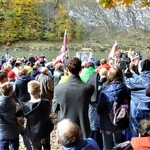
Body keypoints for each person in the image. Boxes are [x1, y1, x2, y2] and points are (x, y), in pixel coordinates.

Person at [52, 57, 94, 138]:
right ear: (81, 69)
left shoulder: (59, 88)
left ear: (67, 70)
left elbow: (54, 109)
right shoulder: (89, 88)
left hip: (65, 129)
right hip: (83, 128)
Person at [97, 65, 131, 150]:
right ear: (121, 75)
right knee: (119, 145)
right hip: (120, 120)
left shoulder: (104, 90)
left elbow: (99, 110)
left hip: (106, 123)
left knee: (107, 146)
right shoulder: (126, 89)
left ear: (109, 76)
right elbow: (128, 105)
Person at [21, 80, 54, 150]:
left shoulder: (25, 106)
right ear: (39, 90)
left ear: (28, 91)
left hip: (33, 132)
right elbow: (49, 113)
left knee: (36, 148)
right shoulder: (46, 102)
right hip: (45, 129)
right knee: (47, 147)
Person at [125, 59, 150, 137]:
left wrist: (127, 74)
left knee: (135, 130)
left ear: (140, 68)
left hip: (137, 109)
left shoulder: (135, 80)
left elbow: (126, 83)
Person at [0, 82, 23, 150]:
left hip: (1, 132)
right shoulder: (16, 105)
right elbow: (20, 120)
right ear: (11, 92)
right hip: (13, 132)